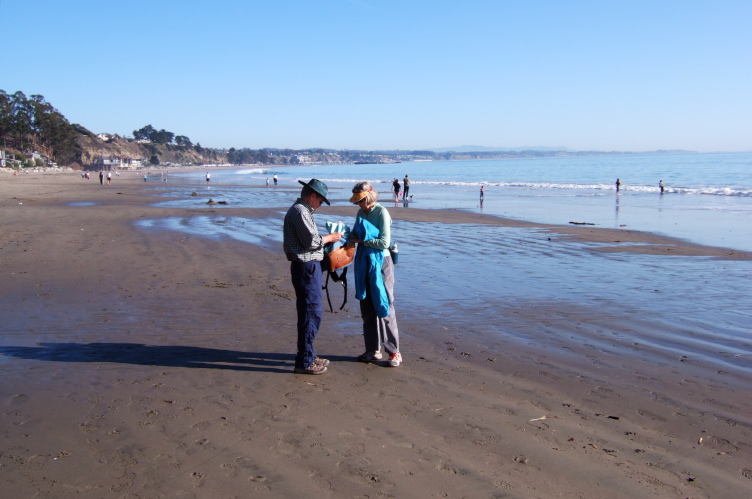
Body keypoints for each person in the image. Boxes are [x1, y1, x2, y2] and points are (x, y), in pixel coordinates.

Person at [283, 179, 343, 375]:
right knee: (311, 312)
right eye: (320, 200)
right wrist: (329, 238)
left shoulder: (303, 211)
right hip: (306, 267)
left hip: (308, 266)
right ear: (312, 196)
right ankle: (305, 360)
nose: (320, 205)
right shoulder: (300, 211)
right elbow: (310, 241)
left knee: (310, 312)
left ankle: (307, 354)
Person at [348, 181, 402, 367]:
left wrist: (361, 241)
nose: (358, 204)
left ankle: (394, 352)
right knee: (367, 307)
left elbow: (384, 242)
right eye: (357, 202)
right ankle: (372, 349)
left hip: (382, 263)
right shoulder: (361, 212)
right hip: (364, 261)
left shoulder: (382, 213)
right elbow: (356, 234)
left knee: (385, 304)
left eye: (360, 201)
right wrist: (345, 234)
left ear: (368, 197)